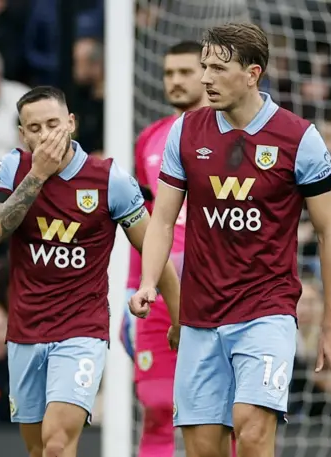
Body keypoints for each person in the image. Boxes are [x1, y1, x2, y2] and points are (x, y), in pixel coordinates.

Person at [129, 23, 331, 457]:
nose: (205, 78)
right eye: (204, 67)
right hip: (201, 314)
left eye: (218, 68)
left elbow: (330, 234)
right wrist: (148, 282)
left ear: (252, 74)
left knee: (251, 435)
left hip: (265, 312)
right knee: (203, 449)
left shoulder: (299, 138)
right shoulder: (185, 132)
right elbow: (161, 220)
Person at [0, 86, 181, 457]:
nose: (44, 134)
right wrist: (36, 177)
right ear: (23, 135)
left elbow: (153, 247)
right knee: (38, 448)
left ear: (70, 123)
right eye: (34, 128)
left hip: (80, 329)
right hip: (25, 329)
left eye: (52, 123)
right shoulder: (13, 167)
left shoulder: (108, 179)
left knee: (57, 442)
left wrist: (180, 317)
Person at [122, 40, 209, 457]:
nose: (174, 81)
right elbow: (142, 223)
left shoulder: (235, 138)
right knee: (157, 405)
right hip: (158, 294)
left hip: (217, 289)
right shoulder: (149, 139)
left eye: (185, 72)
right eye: (169, 73)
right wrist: (130, 286)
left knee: (221, 412)